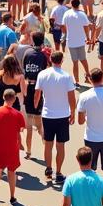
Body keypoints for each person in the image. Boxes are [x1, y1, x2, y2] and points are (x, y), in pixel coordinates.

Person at [34, 50, 78, 184]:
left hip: (47, 115)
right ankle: (58, 172)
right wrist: (73, 112)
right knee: (60, 146)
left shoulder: (42, 74)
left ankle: (48, 169)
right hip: (62, 115)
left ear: (50, 60)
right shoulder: (66, 76)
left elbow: (37, 94)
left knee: (48, 144)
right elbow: (72, 97)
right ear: (62, 61)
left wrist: (36, 107)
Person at [76, 68, 103, 190]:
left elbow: (80, 121)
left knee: (89, 170)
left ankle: (91, 193)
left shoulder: (83, 96)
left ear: (90, 79)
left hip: (90, 138)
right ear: (102, 78)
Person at [0, 88, 26, 205]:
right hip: (12, 147)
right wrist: (21, 144)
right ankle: (12, 197)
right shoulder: (18, 115)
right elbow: (20, 131)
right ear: (14, 99)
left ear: (3, 97)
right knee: (12, 171)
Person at [19, 31, 50, 156]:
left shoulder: (27, 53)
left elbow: (23, 66)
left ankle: (28, 150)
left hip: (28, 87)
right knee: (39, 122)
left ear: (32, 40)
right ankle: (46, 146)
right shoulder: (43, 56)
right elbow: (45, 70)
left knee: (29, 123)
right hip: (38, 88)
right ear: (42, 41)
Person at [62, 0, 93, 86]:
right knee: (83, 60)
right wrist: (88, 38)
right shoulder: (82, 14)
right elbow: (86, 27)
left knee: (75, 62)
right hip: (80, 41)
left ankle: (77, 81)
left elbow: (63, 26)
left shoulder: (67, 14)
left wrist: (67, 33)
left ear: (71, 4)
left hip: (71, 41)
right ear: (79, 5)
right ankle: (87, 75)